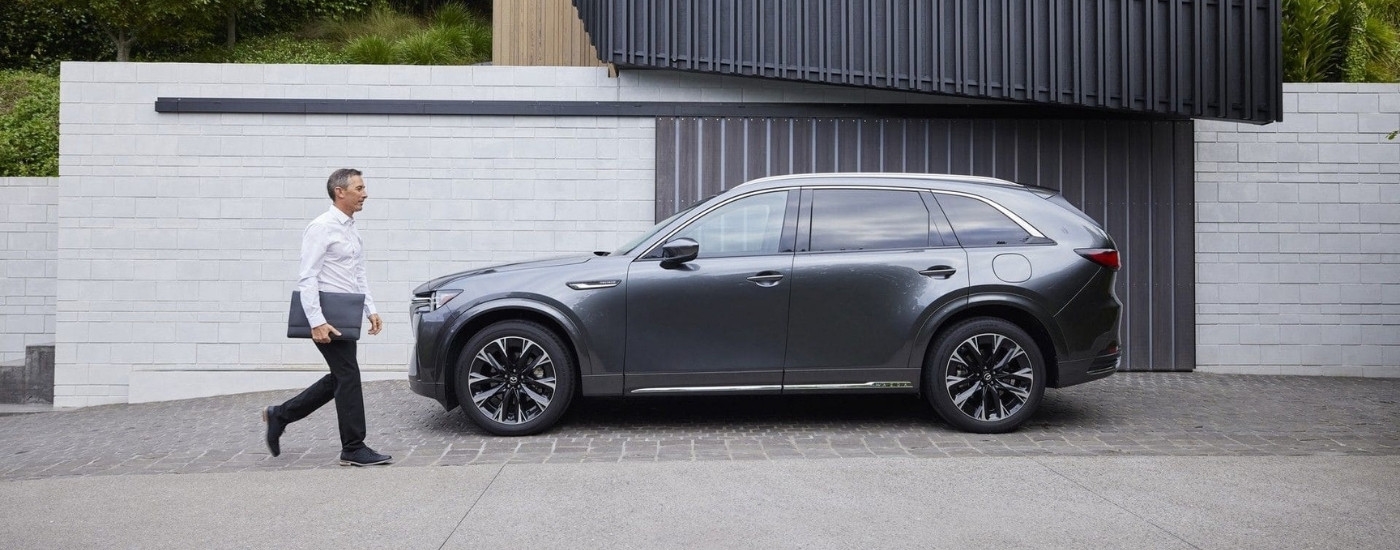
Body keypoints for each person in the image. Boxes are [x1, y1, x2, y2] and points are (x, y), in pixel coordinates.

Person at [262, 168, 391, 467]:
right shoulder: (321, 227)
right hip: (327, 317)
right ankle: (353, 447)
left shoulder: (350, 228)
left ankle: (280, 414)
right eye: (359, 188)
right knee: (348, 376)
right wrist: (316, 321)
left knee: (341, 377)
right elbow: (308, 277)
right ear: (340, 192)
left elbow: (357, 274)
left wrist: (369, 309)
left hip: (345, 314)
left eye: (364, 188)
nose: (365, 193)